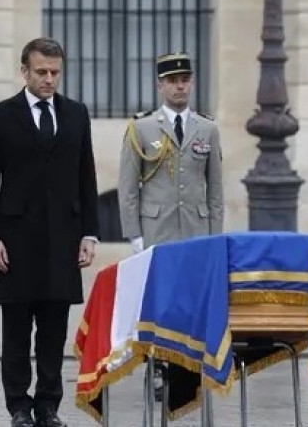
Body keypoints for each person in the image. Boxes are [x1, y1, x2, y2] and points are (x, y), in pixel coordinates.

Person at [0, 37, 100, 427]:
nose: (49, 79)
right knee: (16, 330)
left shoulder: (76, 114)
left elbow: (86, 177)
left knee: (53, 330)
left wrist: (90, 233)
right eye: (42, 72)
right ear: (24, 71)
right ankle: (18, 406)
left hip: (63, 239)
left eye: (55, 73)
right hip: (14, 241)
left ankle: (48, 405)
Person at [116, 52, 224, 404]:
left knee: (191, 301)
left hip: (195, 230)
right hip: (157, 230)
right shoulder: (142, 128)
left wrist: (215, 235)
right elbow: (128, 187)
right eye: (173, 81)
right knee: (160, 304)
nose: (180, 86)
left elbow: (216, 190)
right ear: (159, 85)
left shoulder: (207, 128)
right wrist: (134, 234)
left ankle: (188, 367)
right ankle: (158, 365)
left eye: (185, 80)